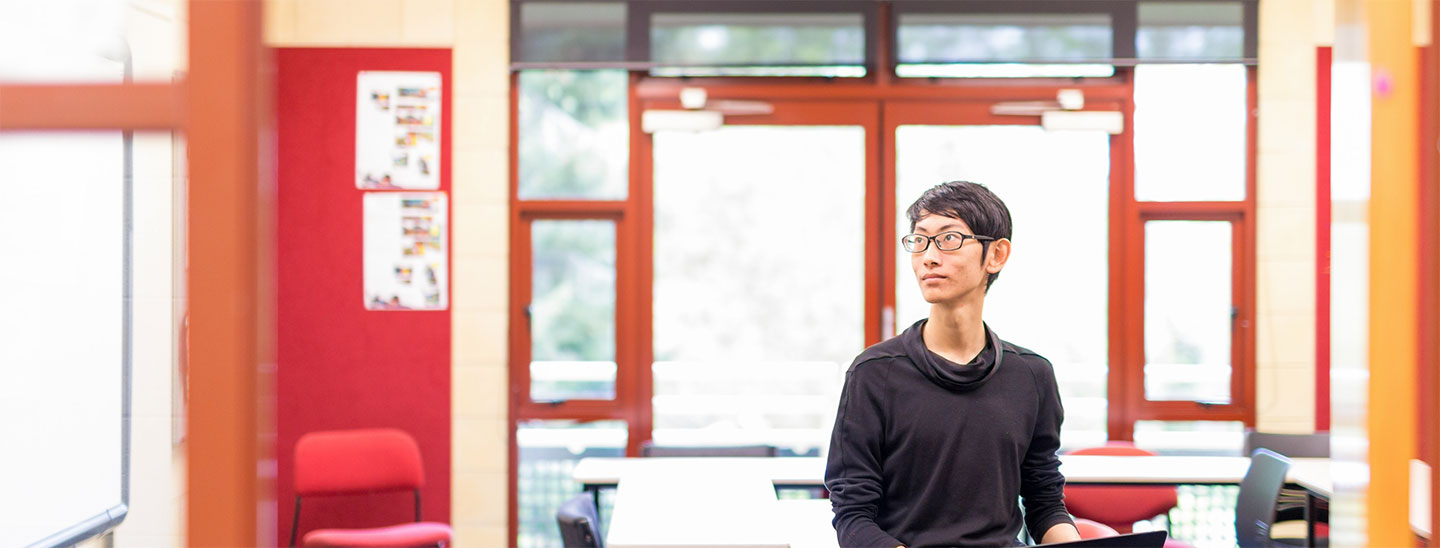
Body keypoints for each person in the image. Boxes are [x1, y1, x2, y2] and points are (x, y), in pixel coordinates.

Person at [825, 181, 1081, 547]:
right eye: (920, 240)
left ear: (996, 255)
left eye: (948, 239)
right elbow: (853, 515)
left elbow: (1044, 502)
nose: (928, 256)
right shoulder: (874, 373)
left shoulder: (1032, 374)